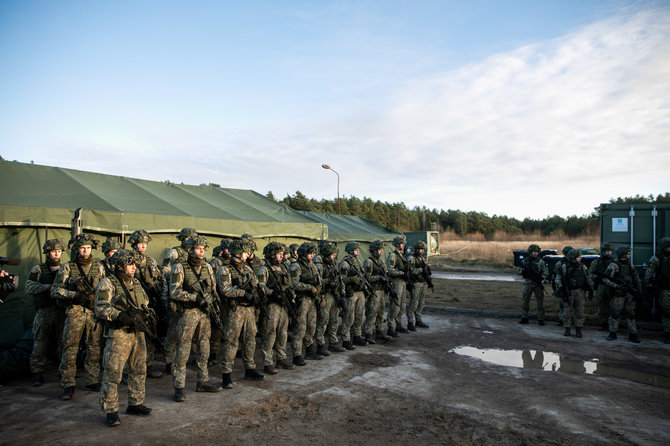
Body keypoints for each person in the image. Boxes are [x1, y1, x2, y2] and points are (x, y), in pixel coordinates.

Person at [95, 250, 153, 427]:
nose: (134, 267)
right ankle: (110, 410)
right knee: (113, 372)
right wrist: (120, 315)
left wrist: (146, 313)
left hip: (137, 332)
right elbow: (100, 307)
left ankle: (135, 402)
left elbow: (145, 302)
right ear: (120, 266)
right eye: (130, 264)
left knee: (139, 369)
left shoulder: (135, 283)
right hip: (119, 333)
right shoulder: (108, 283)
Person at [51, 233, 105, 400]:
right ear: (76, 249)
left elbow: (104, 289)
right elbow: (55, 290)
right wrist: (73, 295)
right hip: (75, 311)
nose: (85, 251)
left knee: (94, 347)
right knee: (70, 347)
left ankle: (92, 379)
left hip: (93, 312)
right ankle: (68, 383)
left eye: (88, 248)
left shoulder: (98, 267)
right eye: (82, 248)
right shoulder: (68, 267)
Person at [169, 234, 222, 401]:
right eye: (198, 249)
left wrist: (213, 305)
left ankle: (203, 380)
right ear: (190, 249)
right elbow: (175, 292)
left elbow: (213, 290)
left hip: (204, 314)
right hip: (188, 313)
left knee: (204, 349)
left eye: (203, 249)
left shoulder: (207, 267)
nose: (201, 252)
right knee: (183, 350)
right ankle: (179, 386)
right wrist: (195, 298)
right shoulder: (179, 268)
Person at [218, 239, 264, 387]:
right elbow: (225, 290)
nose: (248, 254)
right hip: (235, 310)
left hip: (249, 310)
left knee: (250, 339)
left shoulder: (248, 269)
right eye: (245, 252)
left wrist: (257, 294)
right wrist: (243, 293)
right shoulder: (225, 270)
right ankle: (226, 374)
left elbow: (255, 284)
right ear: (238, 253)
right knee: (231, 341)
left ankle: (249, 368)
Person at [25, 239, 66, 386]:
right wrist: (48, 287)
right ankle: (37, 372)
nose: (56, 254)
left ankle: (65, 373)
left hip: (61, 310)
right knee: (40, 342)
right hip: (44, 311)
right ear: (47, 253)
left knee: (64, 342)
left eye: (59, 251)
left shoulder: (65, 268)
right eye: (53, 251)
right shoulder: (39, 269)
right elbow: (29, 287)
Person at [128, 229, 166, 378]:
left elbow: (159, 279)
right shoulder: (128, 259)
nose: (143, 246)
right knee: (132, 339)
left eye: (145, 244)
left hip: (150, 302)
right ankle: (129, 370)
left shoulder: (150, 260)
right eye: (140, 244)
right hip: (134, 303)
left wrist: (162, 299)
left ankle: (147, 366)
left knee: (150, 335)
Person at [162, 227, 197, 375]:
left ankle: (189, 359)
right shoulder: (174, 253)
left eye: (192, 238)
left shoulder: (196, 253)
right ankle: (169, 361)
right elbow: (164, 273)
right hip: (175, 296)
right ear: (182, 239)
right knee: (173, 332)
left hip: (190, 299)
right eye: (187, 238)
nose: (190, 240)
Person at [257, 241, 295, 374]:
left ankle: (281, 357)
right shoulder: (265, 269)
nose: (281, 257)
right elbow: (260, 287)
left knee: (283, 333)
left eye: (282, 254)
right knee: (270, 333)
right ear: (272, 255)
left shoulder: (284, 268)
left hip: (283, 305)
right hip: (272, 305)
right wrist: (272, 293)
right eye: (279, 254)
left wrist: (291, 297)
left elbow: (289, 285)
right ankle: (268, 362)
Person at [290, 242, 323, 362]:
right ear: (304, 253)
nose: (312, 255)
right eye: (310, 253)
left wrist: (318, 290)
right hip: (302, 300)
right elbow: (293, 284)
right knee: (300, 327)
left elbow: (318, 279)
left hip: (312, 300)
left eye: (314, 253)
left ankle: (309, 350)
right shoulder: (296, 266)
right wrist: (309, 287)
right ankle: (297, 354)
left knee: (311, 326)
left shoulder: (312, 265)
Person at [603, 246, 642, 343]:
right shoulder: (614, 265)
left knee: (631, 314)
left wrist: (638, 291)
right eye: (628, 253)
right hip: (619, 294)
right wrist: (617, 286)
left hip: (630, 294)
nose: (629, 255)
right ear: (623, 254)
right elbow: (605, 279)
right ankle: (613, 333)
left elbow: (636, 279)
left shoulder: (630, 266)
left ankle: (633, 334)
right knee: (615, 314)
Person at [554, 249, 594, 338]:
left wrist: (591, 289)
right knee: (567, 311)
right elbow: (558, 279)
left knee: (580, 311)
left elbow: (588, 278)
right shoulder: (565, 266)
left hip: (580, 291)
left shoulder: (582, 266)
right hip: (569, 291)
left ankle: (578, 329)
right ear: (573, 258)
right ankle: (567, 328)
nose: (580, 258)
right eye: (578, 257)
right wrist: (561, 289)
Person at [315, 241, 345, 354]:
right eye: (332, 254)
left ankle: (333, 342)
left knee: (334, 320)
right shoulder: (320, 266)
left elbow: (339, 280)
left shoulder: (333, 264)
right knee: (323, 321)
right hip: (326, 295)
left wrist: (341, 293)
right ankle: (320, 344)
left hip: (335, 295)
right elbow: (317, 281)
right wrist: (327, 282)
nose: (334, 256)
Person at [338, 241, 369, 348]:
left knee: (360, 316)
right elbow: (341, 279)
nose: (358, 251)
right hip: (351, 293)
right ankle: (345, 339)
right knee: (349, 317)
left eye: (358, 249)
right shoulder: (345, 263)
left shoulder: (358, 261)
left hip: (360, 291)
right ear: (350, 250)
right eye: (356, 249)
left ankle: (357, 336)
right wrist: (351, 279)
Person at [363, 240, 392, 343]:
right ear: (374, 251)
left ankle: (379, 332)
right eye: (380, 249)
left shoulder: (381, 261)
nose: (381, 252)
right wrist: (379, 278)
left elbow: (386, 273)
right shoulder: (369, 261)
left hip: (381, 291)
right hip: (374, 291)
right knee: (372, 312)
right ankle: (368, 334)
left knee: (381, 312)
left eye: (382, 249)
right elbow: (367, 278)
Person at [645, 237, 670, 343]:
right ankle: (668, 333)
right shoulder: (657, 258)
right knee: (667, 312)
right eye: (667, 247)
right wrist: (649, 284)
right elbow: (649, 272)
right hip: (664, 288)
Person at [516, 244, 549, 325]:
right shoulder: (525, 261)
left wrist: (542, 278)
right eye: (533, 252)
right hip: (528, 283)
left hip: (537, 284)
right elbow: (518, 270)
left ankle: (540, 318)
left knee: (540, 302)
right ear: (530, 252)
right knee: (525, 301)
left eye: (536, 252)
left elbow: (545, 271)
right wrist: (524, 272)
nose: (535, 253)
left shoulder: (541, 261)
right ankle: (524, 317)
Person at [386, 235, 410, 336]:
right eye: (401, 244)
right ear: (397, 244)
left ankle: (399, 324)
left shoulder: (402, 255)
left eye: (403, 244)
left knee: (403, 305)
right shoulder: (393, 256)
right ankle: (390, 326)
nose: (403, 245)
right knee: (395, 305)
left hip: (403, 283)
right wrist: (401, 273)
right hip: (396, 282)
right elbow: (390, 270)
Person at [407, 241, 431, 330]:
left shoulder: (422, 258)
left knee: (421, 303)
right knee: (414, 302)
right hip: (415, 283)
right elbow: (410, 270)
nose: (422, 251)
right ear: (416, 249)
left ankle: (418, 320)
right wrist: (421, 270)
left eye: (423, 249)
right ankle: (410, 322)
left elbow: (426, 270)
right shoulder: (411, 258)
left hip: (422, 283)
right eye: (420, 249)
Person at [589, 243, 614, 330]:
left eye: (610, 251)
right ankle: (603, 323)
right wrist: (598, 277)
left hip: (611, 286)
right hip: (601, 285)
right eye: (607, 251)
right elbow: (590, 274)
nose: (609, 253)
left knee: (612, 304)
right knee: (601, 304)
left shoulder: (614, 262)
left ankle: (612, 323)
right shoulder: (597, 262)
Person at [551, 246, 573, 327]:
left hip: (572, 286)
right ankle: (561, 319)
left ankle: (569, 319)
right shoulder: (560, 263)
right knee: (562, 304)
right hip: (562, 286)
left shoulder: (574, 263)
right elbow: (556, 276)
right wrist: (557, 288)